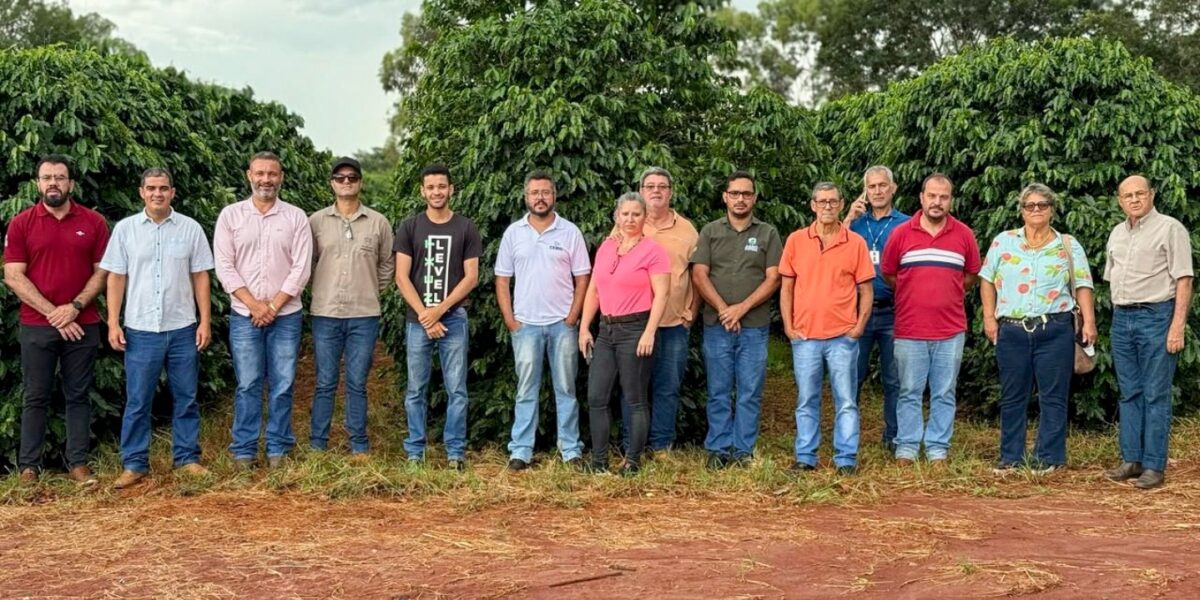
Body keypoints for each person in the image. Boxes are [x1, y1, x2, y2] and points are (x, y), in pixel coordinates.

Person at [102, 168, 215, 489]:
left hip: (182, 328)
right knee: (138, 400)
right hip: (139, 329)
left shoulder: (190, 229)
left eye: (163, 188)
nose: (157, 194)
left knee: (186, 397)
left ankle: (187, 458)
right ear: (141, 192)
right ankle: (135, 463)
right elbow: (116, 277)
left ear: (173, 192)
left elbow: (200, 276)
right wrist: (113, 321)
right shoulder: (125, 230)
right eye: (151, 188)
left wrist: (204, 321)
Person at [3, 155, 109, 486]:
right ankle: (29, 468)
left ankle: (78, 464)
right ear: (38, 184)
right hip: (37, 325)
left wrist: (74, 307)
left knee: (78, 395)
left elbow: (103, 272)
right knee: (36, 396)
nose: (53, 183)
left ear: (71, 184)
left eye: (60, 177)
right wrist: (56, 313)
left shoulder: (93, 222)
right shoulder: (21, 223)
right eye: (47, 177)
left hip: (84, 321)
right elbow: (13, 277)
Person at [979, 183, 1097, 475]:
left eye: (1042, 205)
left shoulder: (1067, 245)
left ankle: (1049, 458)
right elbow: (986, 280)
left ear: (1051, 209)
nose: (1035, 210)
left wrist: (1090, 322)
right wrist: (989, 318)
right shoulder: (1003, 242)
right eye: (1029, 205)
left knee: (1054, 396)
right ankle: (1011, 458)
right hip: (1012, 330)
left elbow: (1082, 283)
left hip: (1055, 328)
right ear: (1021, 210)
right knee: (1012, 395)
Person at [214, 151, 313, 469]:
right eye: (260, 173)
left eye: (272, 174)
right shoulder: (230, 216)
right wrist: (254, 305)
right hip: (245, 316)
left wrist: (272, 306)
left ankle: (278, 449)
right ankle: (243, 450)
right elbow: (225, 267)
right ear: (249, 175)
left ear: (281, 177)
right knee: (248, 383)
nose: (266, 179)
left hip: (286, 315)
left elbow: (301, 267)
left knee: (283, 383)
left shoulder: (296, 217)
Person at [881, 173, 980, 467]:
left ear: (950, 200)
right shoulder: (901, 233)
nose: (937, 202)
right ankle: (907, 448)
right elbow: (888, 273)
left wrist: (945, 292)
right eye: (932, 196)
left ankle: (938, 448)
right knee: (909, 391)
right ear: (922, 197)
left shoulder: (964, 235)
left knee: (944, 392)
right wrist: (914, 292)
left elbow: (972, 275)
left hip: (950, 330)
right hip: (910, 329)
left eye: (944, 197)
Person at [495, 170, 591, 471]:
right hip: (525, 326)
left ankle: (570, 450)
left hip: (562, 325)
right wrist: (510, 320)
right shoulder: (513, 233)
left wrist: (573, 316)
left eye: (546, 192)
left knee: (566, 390)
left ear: (554, 195)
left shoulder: (570, 232)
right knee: (526, 391)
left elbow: (583, 278)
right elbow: (501, 280)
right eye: (535, 192)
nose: (540, 198)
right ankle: (521, 451)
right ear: (526, 196)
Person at [1103, 175, 1194, 489]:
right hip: (1122, 318)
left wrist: (1177, 326)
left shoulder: (1170, 228)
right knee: (1130, 393)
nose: (1134, 199)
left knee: (1156, 394)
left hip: (1157, 317)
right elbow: (1112, 279)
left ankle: (1154, 466)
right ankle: (1132, 459)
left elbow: (1184, 279)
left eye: (1140, 193)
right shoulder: (1116, 233)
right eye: (1127, 195)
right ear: (1120, 200)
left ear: (1151, 195)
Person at [779, 182, 874, 474]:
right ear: (812, 205)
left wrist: (858, 327)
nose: (827, 207)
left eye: (832, 201)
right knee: (806, 399)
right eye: (821, 202)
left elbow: (866, 289)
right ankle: (805, 456)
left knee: (846, 401)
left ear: (842, 204)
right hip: (805, 336)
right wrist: (789, 327)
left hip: (842, 337)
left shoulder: (855, 242)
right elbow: (786, 287)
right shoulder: (796, 240)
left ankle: (846, 458)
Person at [394, 164, 482, 471]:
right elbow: (401, 277)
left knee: (456, 388)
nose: (436, 192)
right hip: (417, 321)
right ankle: (415, 453)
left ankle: (455, 453)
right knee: (416, 388)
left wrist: (438, 311)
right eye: (430, 187)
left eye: (441, 186)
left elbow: (471, 277)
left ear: (451, 189)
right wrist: (424, 315)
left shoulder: (466, 228)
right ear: (422, 191)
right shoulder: (410, 227)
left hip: (454, 318)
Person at [692, 171, 781, 469]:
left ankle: (743, 450)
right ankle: (718, 449)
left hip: (753, 326)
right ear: (725, 197)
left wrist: (740, 309)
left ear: (754, 197)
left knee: (749, 391)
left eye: (746, 194)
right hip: (717, 325)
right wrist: (723, 309)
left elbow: (774, 278)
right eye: (735, 193)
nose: (740, 199)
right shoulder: (710, 232)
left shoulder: (768, 233)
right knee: (718, 390)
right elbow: (699, 274)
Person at [308, 157, 395, 460]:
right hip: (326, 313)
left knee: (357, 382)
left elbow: (386, 264)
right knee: (325, 381)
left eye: (352, 177)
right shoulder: (315, 222)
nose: (346, 182)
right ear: (332, 182)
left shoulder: (378, 222)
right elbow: (308, 263)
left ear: (360, 182)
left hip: (364, 314)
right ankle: (318, 444)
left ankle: (358, 444)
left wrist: (369, 289)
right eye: (340, 177)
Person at [579, 192, 670, 475]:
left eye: (636, 214)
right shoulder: (606, 248)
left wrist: (649, 332)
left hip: (635, 328)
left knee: (635, 398)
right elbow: (594, 289)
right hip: (606, 330)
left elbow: (663, 293)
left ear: (645, 218)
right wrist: (584, 327)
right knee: (596, 397)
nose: (630, 219)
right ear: (616, 216)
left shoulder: (654, 251)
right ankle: (599, 462)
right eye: (625, 214)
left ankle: (632, 461)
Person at [615, 167, 699, 456]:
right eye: (650, 186)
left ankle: (662, 447)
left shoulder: (687, 230)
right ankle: (632, 447)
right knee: (633, 390)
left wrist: (693, 309)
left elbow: (698, 274)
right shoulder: (628, 225)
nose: (656, 191)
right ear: (641, 191)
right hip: (634, 324)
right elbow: (609, 270)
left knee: (667, 388)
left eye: (662, 186)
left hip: (673, 323)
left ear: (670, 192)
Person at [843, 165, 909, 450]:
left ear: (893, 189)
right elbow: (830, 249)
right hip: (857, 311)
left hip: (895, 310)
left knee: (895, 379)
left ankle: (893, 438)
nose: (878, 191)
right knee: (851, 377)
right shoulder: (855, 224)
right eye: (872, 187)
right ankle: (848, 439)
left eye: (883, 186)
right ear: (865, 192)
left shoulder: (906, 224)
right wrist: (847, 219)